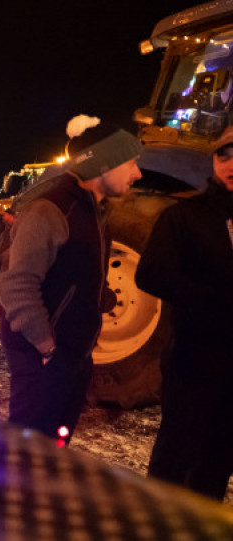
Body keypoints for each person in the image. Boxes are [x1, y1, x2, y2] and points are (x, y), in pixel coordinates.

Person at [0, 114, 142, 444]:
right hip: (44, 355)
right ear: (103, 163)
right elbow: (16, 285)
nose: (138, 173)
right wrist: (46, 345)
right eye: (131, 162)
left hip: (71, 355)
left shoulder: (93, 211)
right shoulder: (51, 210)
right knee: (28, 451)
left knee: (54, 446)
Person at [135, 126, 233, 501]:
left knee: (219, 458)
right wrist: (212, 299)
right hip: (194, 358)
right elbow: (151, 274)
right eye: (224, 154)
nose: (231, 163)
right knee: (177, 455)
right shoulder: (185, 216)